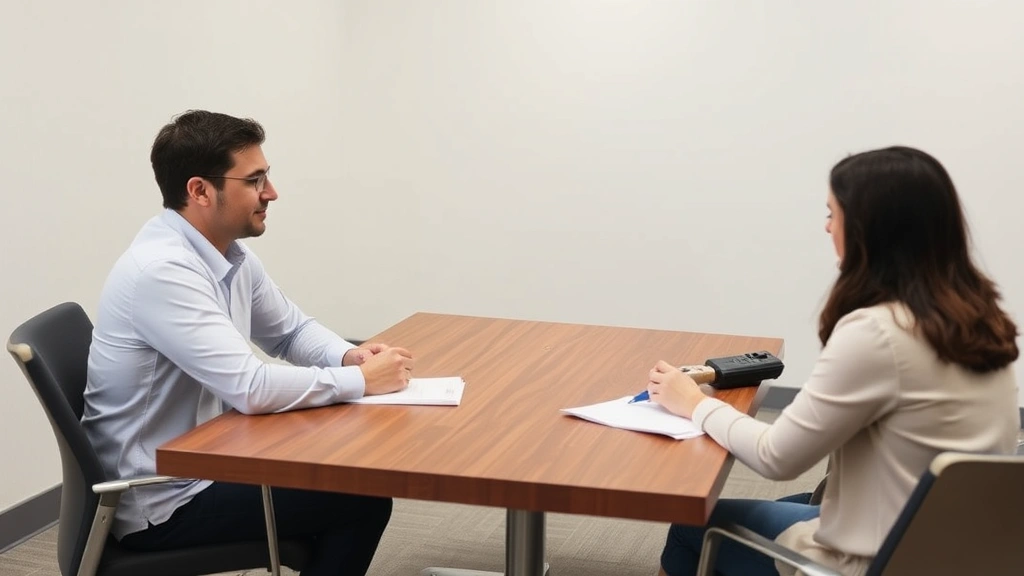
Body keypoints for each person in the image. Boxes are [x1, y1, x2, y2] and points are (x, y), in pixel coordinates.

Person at [645, 146, 1020, 576]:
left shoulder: (878, 332)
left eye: (832, 214)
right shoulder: (981, 319)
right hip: (961, 550)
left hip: (874, 560)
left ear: (868, 230)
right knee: (793, 505)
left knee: (690, 523)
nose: (827, 227)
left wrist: (693, 402)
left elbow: (776, 457)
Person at [81, 109, 414, 576]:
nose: (271, 192)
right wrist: (362, 380)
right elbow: (251, 388)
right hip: (162, 499)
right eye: (255, 180)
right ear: (200, 191)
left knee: (342, 477)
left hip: (211, 461)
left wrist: (348, 355)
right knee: (362, 499)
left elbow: (290, 331)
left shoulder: (228, 253)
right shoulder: (162, 272)